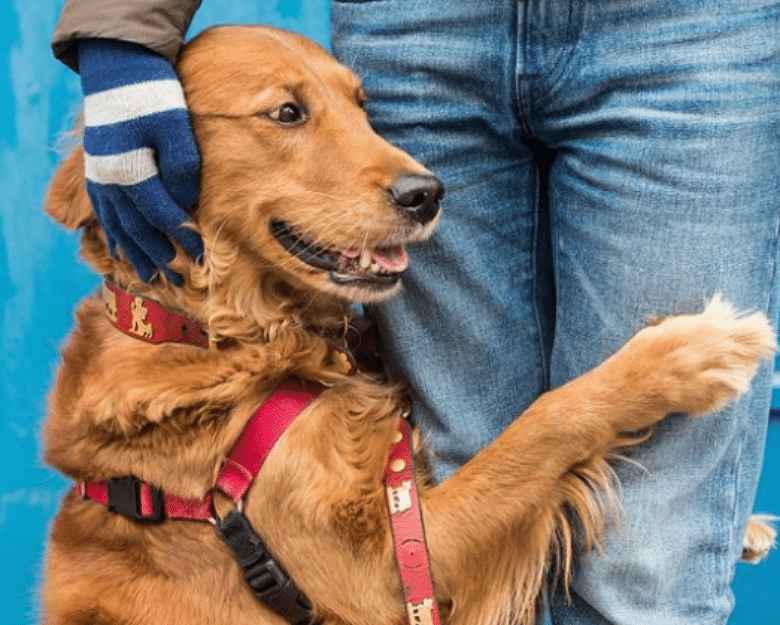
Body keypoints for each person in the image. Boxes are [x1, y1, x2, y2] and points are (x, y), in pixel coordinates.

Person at [51, 1, 780, 623]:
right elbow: (401, 580)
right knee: (467, 452)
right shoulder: (183, 403)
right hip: (425, 27)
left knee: (653, 566)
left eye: (355, 107)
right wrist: (119, 40)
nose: (402, 168)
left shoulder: (302, 332)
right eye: (286, 114)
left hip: (692, 28)